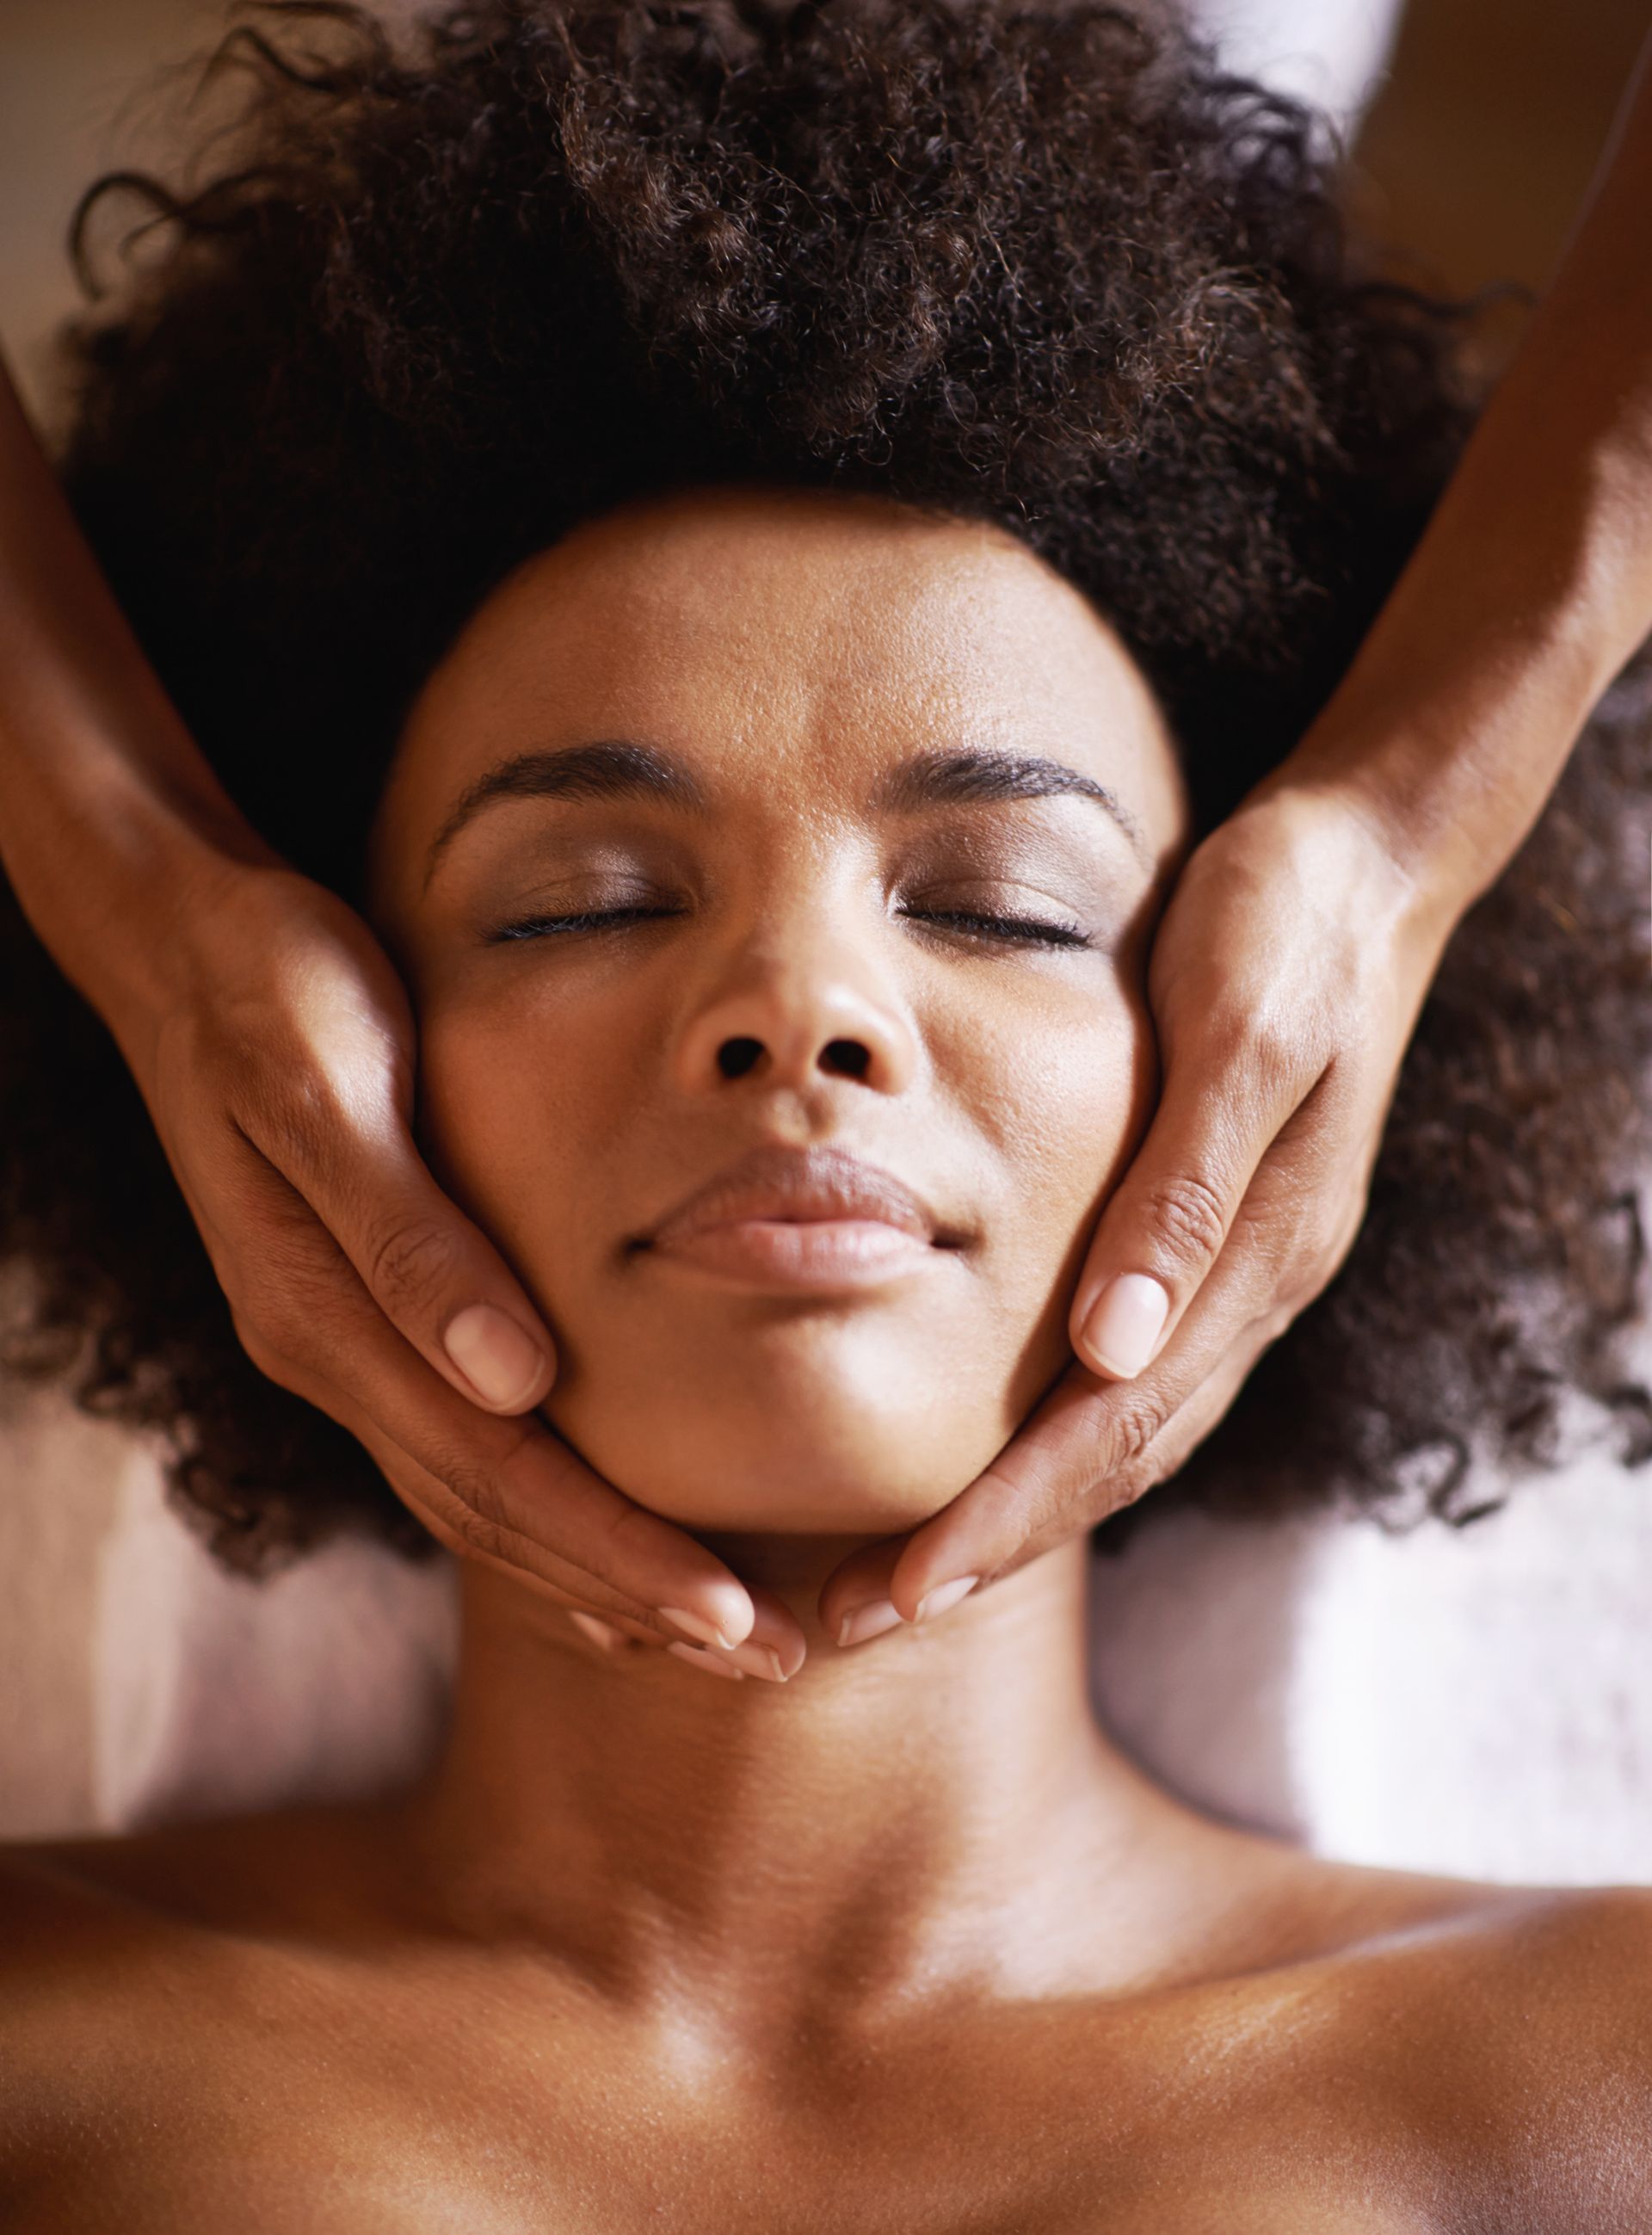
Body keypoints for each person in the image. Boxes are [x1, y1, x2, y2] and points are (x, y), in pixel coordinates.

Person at [1, 6, 1649, 2221]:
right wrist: (111, 858)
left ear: (1282, 1063)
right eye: (580, 905)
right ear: (290, 1073)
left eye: (1000, 905)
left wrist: (1444, 784)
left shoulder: (1593, 2085)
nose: (802, 1009)